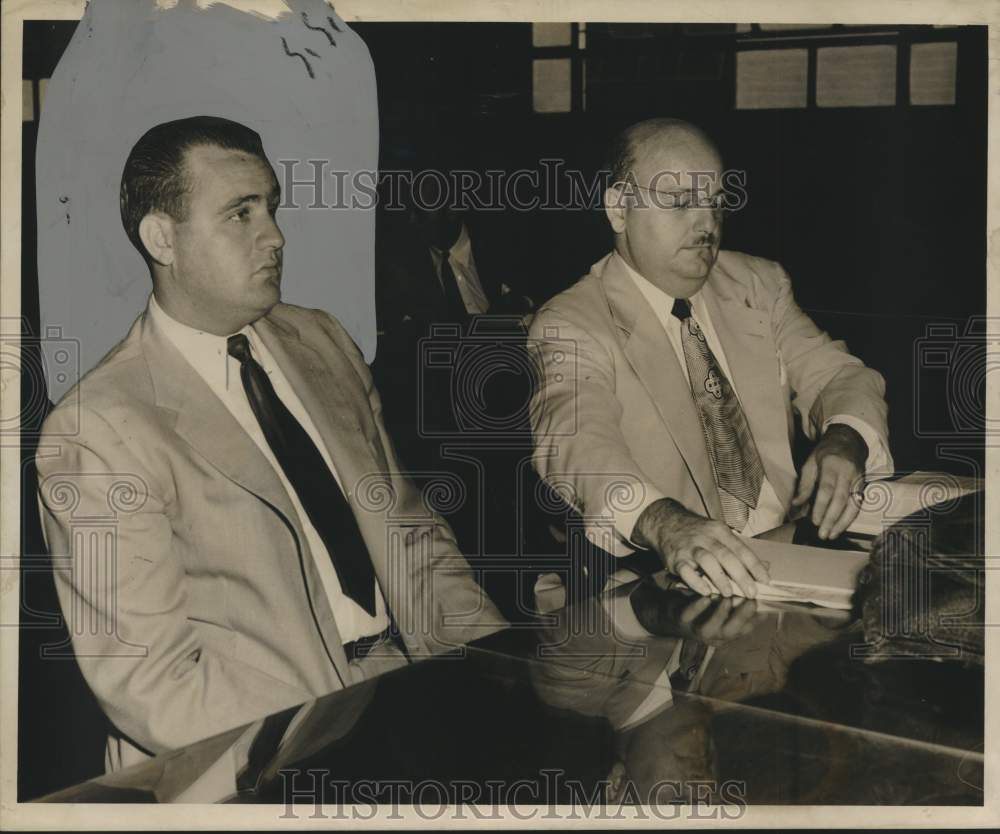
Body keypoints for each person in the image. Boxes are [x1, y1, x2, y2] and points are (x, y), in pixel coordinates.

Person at [36, 116, 504, 771]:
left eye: (272, 208)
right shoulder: (100, 428)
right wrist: (318, 747)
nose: (276, 236)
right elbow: (150, 682)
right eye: (240, 214)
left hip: (409, 699)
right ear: (161, 238)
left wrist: (488, 674)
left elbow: (411, 534)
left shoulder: (323, 343)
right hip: (257, 754)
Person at [529, 118, 892, 599]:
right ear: (618, 209)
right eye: (680, 203)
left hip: (793, 555)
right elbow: (574, 441)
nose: (706, 225)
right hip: (657, 582)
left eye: (716, 203)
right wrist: (663, 522)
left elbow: (838, 375)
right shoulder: (571, 321)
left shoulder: (758, 285)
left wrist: (845, 437)